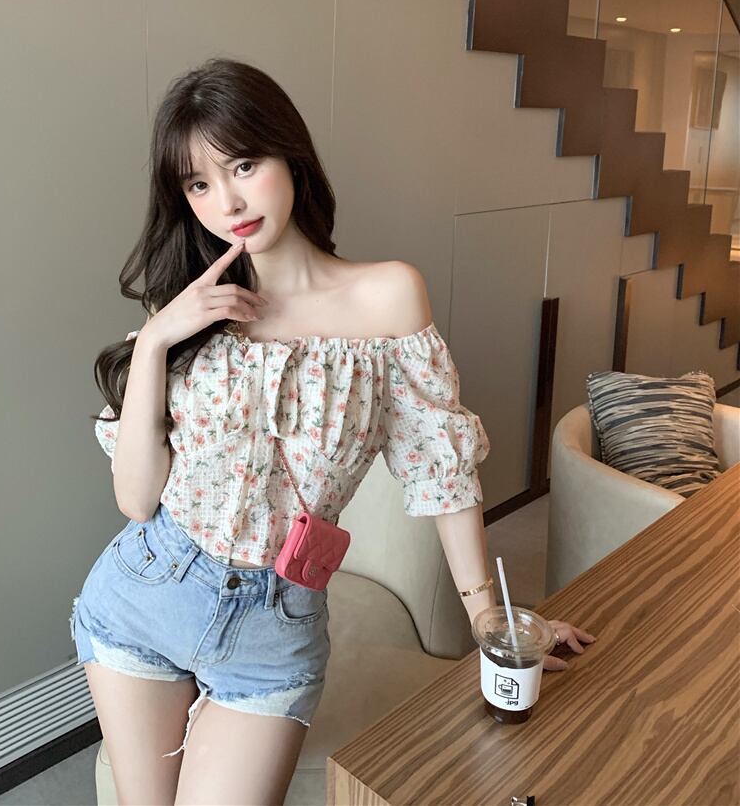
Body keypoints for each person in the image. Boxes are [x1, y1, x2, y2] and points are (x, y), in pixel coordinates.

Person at [69, 57, 596, 805]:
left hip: (274, 628)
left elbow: (440, 467)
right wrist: (155, 341)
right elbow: (135, 501)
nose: (227, 201)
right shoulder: (185, 309)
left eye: (243, 165)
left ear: (290, 155)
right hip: (145, 595)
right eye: (198, 184)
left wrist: (489, 615)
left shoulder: (387, 296)